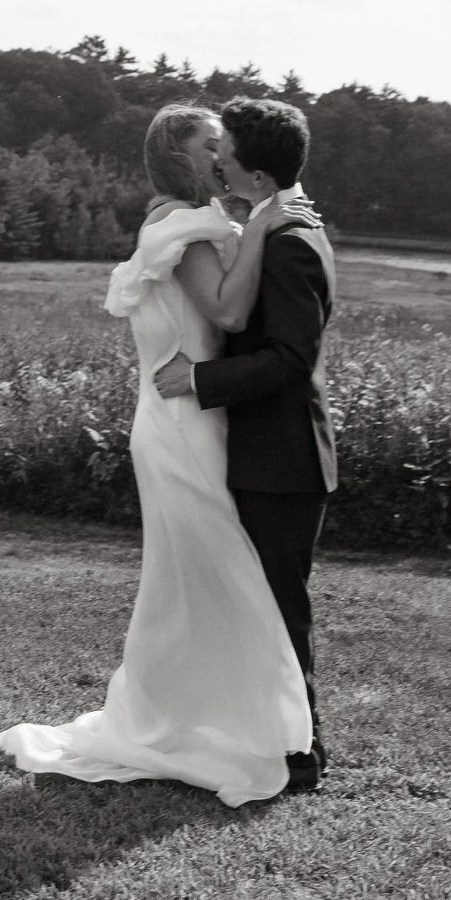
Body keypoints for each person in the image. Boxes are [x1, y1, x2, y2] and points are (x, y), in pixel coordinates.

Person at [0, 103, 318, 806]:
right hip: (180, 424)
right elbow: (227, 315)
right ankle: (218, 722)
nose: (221, 155)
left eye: (226, 146)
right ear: (184, 157)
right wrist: (261, 221)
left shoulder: (191, 223)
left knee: (207, 581)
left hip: (196, 416)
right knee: (212, 578)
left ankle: (238, 719)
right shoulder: (183, 229)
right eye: (211, 146)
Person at [154, 96, 338, 790]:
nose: (217, 158)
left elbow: (289, 361)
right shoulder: (273, 221)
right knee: (262, 607)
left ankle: (303, 757)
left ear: (256, 174)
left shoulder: (289, 239)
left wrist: (199, 379)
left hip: (283, 459)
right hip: (270, 455)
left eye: (226, 150)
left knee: (280, 611)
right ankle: (276, 743)